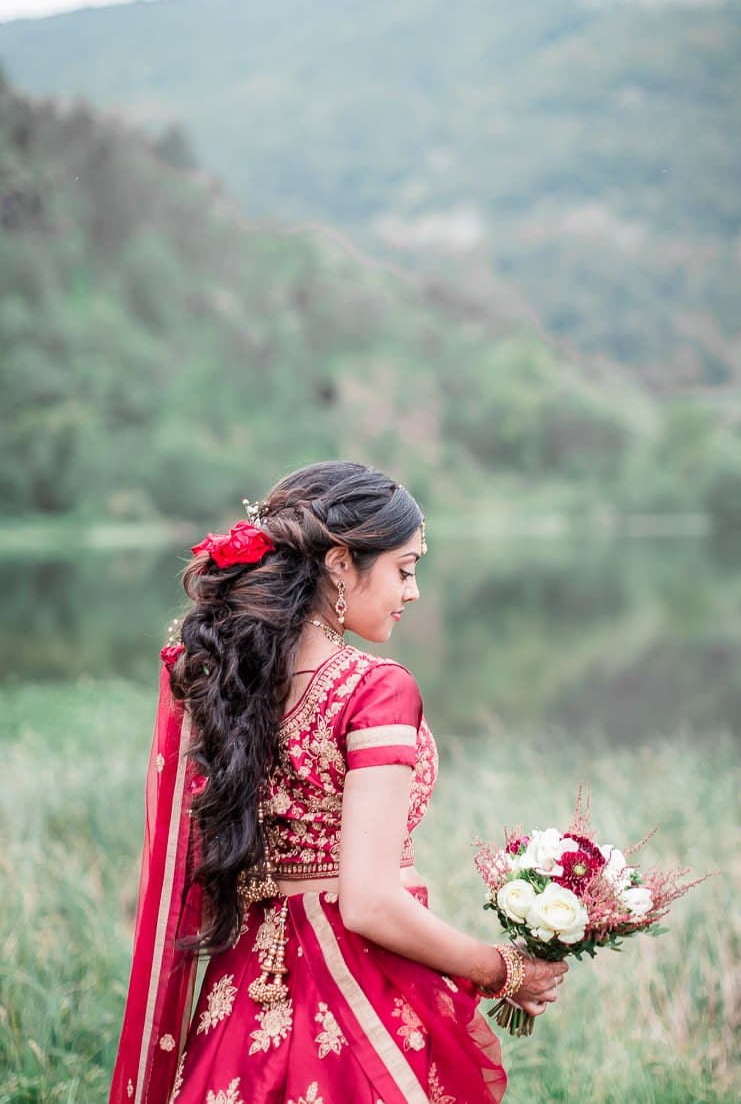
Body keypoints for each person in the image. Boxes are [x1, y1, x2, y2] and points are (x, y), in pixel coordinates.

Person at [110, 461, 568, 1104]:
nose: (413, 593)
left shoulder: (230, 682)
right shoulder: (375, 689)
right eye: (404, 571)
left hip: (244, 988)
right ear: (340, 564)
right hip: (355, 987)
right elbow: (369, 901)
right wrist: (501, 969)